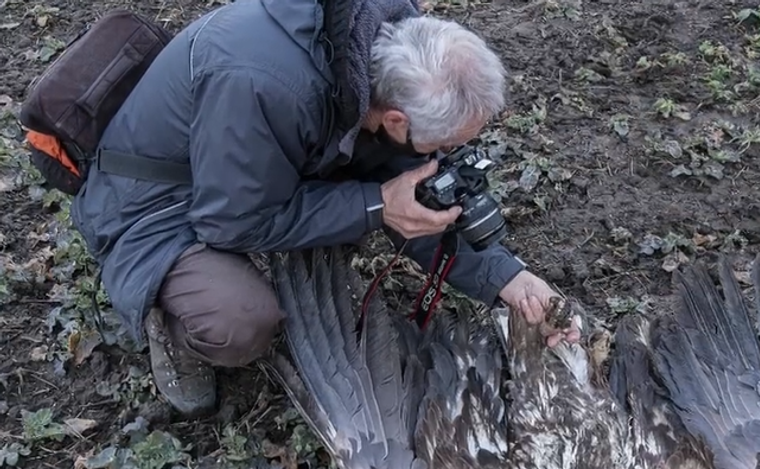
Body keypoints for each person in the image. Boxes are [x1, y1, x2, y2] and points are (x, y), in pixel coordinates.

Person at [69, 0, 580, 418]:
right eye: (438, 144)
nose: (439, 157)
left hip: (243, 166)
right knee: (241, 321)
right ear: (398, 120)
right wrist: (378, 205)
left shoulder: (381, 48)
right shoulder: (266, 86)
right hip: (156, 202)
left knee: (357, 205)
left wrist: (507, 281)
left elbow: (415, 197)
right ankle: (173, 326)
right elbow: (230, 222)